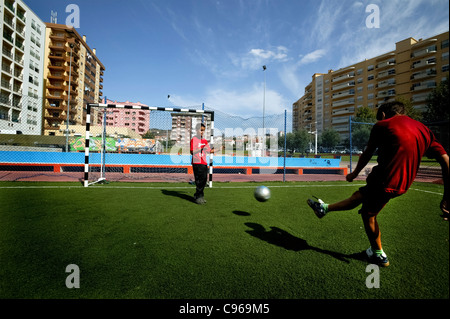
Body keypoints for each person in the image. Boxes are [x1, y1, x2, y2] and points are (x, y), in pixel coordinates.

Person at [307, 101, 449, 267]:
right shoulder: (424, 130)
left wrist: (353, 174)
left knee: (368, 215)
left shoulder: (383, 124)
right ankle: (324, 209)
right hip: (403, 183)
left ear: (383, 114)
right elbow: (446, 160)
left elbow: (367, 153)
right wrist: (447, 196)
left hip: (385, 181)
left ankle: (378, 254)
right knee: (360, 195)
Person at [190, 123, 214, 204]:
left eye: (203, 130)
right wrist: (201, 148)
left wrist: (218, 149)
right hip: (197, 162)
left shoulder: (204, 141)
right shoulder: (194, 139)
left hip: (203, 162)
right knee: (199, 180)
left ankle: (199, 195)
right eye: (201, 130)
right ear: (196, 130)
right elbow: (192, 151)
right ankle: (198, 197)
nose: (202, 132)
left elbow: (209, 151)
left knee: (204, 180)